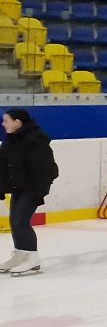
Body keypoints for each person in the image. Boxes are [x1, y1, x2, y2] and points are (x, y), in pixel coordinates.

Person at [0, 107, 58, 277]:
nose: (3, 124)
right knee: (14, 220)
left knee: (21, 221)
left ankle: (32, 258)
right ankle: (20, 253)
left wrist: (38, 189)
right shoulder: (11, 140)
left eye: (6, 121)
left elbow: (46, 168)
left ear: (17, 122)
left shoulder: (35, 140)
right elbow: (3, 167)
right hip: (20, 186)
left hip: (33, 187)